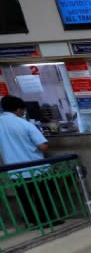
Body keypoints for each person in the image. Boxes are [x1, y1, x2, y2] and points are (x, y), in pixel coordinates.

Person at [0, 95, 61, 227]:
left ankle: (32, 221)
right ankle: (46, 220)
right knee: (42, 195)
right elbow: (43, 146)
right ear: (17, 110)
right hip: (35, 167)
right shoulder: (24, 124)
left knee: (24, 197)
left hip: (14, 170)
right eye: (22, 110)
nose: (23, 113)